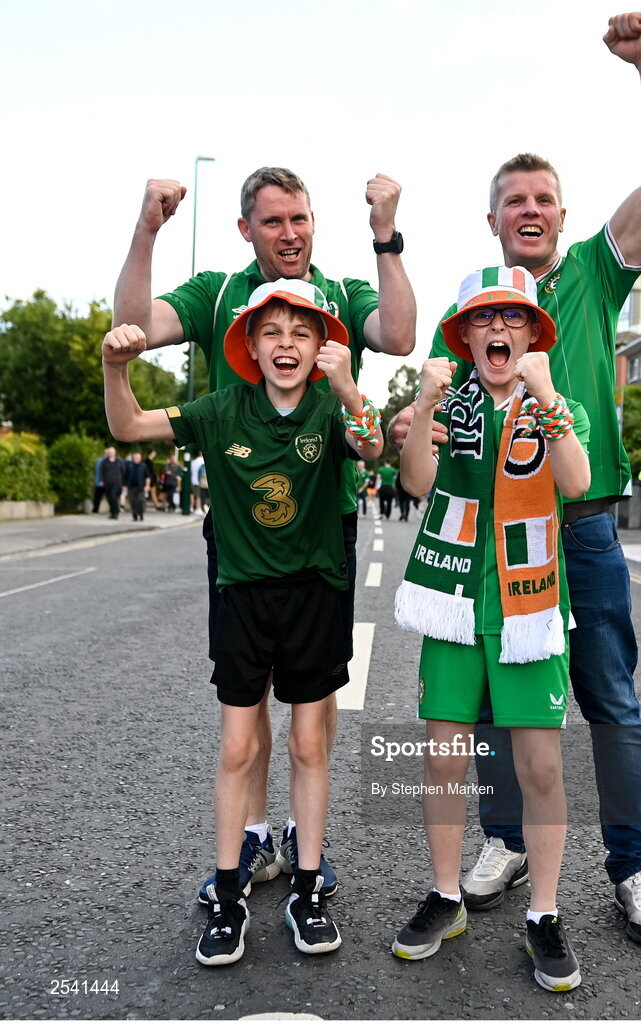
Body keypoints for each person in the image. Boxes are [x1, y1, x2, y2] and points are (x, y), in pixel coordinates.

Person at [390, 12, 641, 948]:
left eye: (544, 198)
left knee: (609, 697)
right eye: (514, 198)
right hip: (487, 538)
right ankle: (507, 841)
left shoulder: (596, 274)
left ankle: (635, 864)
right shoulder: (475, 305)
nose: (530, 209)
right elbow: (431, 434)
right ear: (492, 218)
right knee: (484, 696)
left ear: (562, 212)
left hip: (580, 523)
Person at [113, 165, 415, 904]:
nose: (291, 233)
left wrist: (385, 233)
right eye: (274, 222)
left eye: (301, 219)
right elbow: (133, 326)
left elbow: (401, 335)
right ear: (247, 229)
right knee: (251, 698)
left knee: (311, 700)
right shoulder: (219, 293)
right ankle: (251, 838)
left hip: (326, 521)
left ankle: (303, 835)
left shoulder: (340, 297)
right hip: (244, 529)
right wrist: (148, 229)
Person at [102, 280, 384, 966]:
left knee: (309, 745)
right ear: (250, 347)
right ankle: (228, 894)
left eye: (301, 331)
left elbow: (373, 449)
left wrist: (347, 387)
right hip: (243, 596)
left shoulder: (328, 408)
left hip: (315, 592)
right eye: (271, 331)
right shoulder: (220, 408)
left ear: (321, 346)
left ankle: (307, 888)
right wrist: (116, 368)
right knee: (237, 748)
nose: (286, 342)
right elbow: (129, 427)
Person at [392, 267, 590, 991]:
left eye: (513, 318)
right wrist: (423, 400)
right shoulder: (450, 403)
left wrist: (546, 396)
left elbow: (574, 480)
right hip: (452, 598)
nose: (497, 329)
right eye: (482, 319)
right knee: (444, 760)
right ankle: (446, 897)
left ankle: (543, 912)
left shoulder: (554, 405)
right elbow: (415, 482)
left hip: (530, 603)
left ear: (534, 335)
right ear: (465, 336)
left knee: (540, 766)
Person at [100, 446, 125, 519]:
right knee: (109, 498)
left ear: (115, 453)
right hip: (107, 483)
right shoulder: (105, 461)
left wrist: (123, 482)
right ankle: (112, 513)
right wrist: (102, 480)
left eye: (112, 452)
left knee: (113, 496)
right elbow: (102, 471)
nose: (110, 453)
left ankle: (116, 512)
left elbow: (123, 471)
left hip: (117, 483)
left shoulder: (119, 461)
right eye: (109, 452)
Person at [125, 451, 149, 521]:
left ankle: (141, 513)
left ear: (140, 458)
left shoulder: (144, 466)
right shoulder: (129, 465)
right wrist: (124, 485)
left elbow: (147, 476)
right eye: (135, 458)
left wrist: (147, 486)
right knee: (132, 501)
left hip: (141, 487)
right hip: (131, 487)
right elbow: (125, 475)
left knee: (140, 500)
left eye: (138, 458)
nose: (137, 459)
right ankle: (134, 515)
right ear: (133, 458)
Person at [91, 448, 107, 513]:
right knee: (97, 497)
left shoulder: (108, 461)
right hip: (100, 483)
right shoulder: (101, 461)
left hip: (107, 483)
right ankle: (95, 510)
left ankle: (113, 510)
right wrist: (100, 480)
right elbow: (98, 471)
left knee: (110, 497)